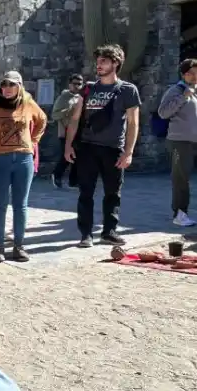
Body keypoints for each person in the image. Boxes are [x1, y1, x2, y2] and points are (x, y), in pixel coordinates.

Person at [64, 44, 141, 248]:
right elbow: (75, 119)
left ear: (115, 63)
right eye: (97, 61)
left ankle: (109, 232)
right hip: (88, 148)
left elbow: (134, 123)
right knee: (85, 192)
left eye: (104, 61)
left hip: (114, 148)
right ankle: (86, 234)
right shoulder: (88, 88)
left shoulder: (128, 90)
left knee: (113, 193)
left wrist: (129, 151)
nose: (98, 65)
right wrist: (68, 146)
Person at [0, 71, 46, 263]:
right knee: (0, 205)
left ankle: (19, 246)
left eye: (11, 85)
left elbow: (42, 120)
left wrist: (33, 141)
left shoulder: (28, 103)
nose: (6, 89)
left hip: (23, 160)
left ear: (19, 86)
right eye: (4, 85)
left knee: (20, 206)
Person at [157, 58, 197, 227]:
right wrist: (182, 97)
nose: (195, 76)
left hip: (192, 141)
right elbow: (163, 112)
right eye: (191, 73)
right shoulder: (176, 90)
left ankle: (182, 212)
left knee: (185, 177)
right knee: (181, 179)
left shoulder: (194, 91)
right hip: (180, 142)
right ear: (183, 74)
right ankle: (179, 214)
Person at [50, 74, 83, 189]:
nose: (77, 86)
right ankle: (57, 175)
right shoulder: (63, 97)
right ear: (70, 84)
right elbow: (54, 114)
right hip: (65, 131)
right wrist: (69, 110)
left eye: (79, 84)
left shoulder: (80, 97)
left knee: (78, 157)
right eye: (75, 84)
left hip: (78, 132)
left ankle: (73, 181)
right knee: (66, 157)